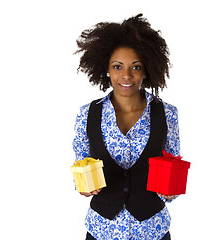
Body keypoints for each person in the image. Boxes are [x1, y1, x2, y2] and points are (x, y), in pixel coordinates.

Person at [73, 14, 180, 240]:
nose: (126, 75)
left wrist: (171, 190)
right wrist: (83, 187)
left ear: (146, 69)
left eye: (136, 67)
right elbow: (81, 164)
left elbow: (174, 164)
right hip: (102, 230)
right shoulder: (88, 114)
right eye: (117, 66)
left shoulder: (167, 113)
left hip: (152, 231)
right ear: (107, 69)